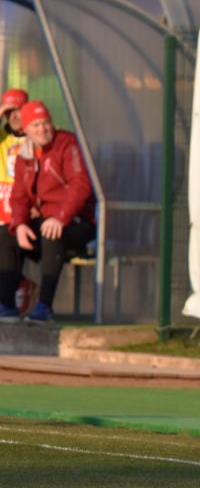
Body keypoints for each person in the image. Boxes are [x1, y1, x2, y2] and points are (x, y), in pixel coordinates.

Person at [0, 101, 96, 323]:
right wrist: (20, 224)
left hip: (77, 222)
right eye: (35, 125)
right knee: (7, 234)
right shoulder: (25, 153)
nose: (42, 129)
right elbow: (19, 196)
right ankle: (6, 305)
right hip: (45, 221)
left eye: (45, 123)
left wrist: (61, 218)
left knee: (50, 232)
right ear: (25, 130)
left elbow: (80, 185)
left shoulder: (67, 143)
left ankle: (44, 307)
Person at [0, 88, 29, 228]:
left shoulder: (39, 135)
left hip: (26, 213)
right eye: (8, 112)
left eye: (17, 110)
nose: (13, 117)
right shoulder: (2, 136)